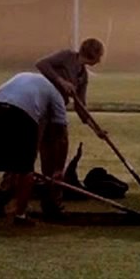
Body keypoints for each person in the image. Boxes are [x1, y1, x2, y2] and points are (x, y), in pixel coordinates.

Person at [0, 72, 68, 229]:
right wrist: (59, 169)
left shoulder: (32, 78)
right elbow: (62, 136)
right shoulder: (57, 97)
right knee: (25, 168)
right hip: (23, 112)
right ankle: (20, 215)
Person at [34, 38, 110, 216]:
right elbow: (42, 64)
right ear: (93, 54)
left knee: (58, 157)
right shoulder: (66, 56)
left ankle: (52, 201)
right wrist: (61, 81)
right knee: (31, 152)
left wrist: (96, 129)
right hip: (39, 108)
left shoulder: (82, 75)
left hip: (57, 112)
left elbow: (80, 106)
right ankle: (5, 193)